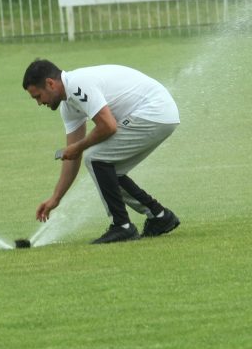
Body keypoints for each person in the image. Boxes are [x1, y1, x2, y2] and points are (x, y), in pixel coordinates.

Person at [22, 59, 181, 244]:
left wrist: (79, 147)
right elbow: (72, 156)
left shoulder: (76, 85)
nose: (39, 103)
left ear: (50, 83)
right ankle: (159, 216)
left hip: (154, 111)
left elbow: (108, 126)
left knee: (96, 158)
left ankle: (122, 226)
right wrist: (55, 198)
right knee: (108, 169)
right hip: (159, 114)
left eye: (38, 96)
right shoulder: (68, 106)